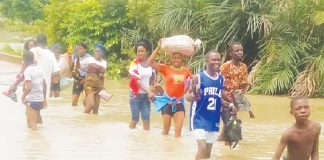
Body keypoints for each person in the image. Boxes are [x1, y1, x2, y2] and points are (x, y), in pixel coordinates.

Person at [148, 40, 192, 138]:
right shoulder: (166, 68)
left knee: (178, 133)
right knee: (165, 131)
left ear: (182, 59)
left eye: (178, 58)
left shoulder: (186, 71)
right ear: (171, 59)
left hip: (179, 103)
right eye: (174, 58)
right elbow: (150, 62)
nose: (176, 60)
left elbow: (193, 85)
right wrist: (158, 48)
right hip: (166, 103)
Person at [218, 42, 254, 141]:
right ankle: (231, 145)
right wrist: (224, 99)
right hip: (226, 100)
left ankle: (221, 142)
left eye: (241, 50)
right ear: (230, 53)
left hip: (236, 100)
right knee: (231, 124)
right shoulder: (226, 66)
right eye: (237, 50)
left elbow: (243, 84)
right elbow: (218, 83)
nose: (240, 52)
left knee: (228, 123)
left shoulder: (243, 67)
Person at [128, 41, 155, 130]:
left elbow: (152, 80)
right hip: (135, 96)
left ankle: (145, 141)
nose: (139, 53)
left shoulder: (151, 64)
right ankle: (131, 138)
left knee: (146, 120)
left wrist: (152, 90)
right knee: (135, 119)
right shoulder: (134, 64)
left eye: (142, 51)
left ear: (147, 52)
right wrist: (149, 92)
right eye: (138, 51)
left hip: (146, 96)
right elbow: (137, 81)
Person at [21, 51, 47, 130]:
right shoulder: (39, 69)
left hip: (31, 100)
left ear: (24, 60)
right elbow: (44, 85)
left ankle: (35, 141)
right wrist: (44, 98)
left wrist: (23, 96)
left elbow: (28, 87)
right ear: (33, 59)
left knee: (32, 127)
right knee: (38, 121)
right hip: (40, 100)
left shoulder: (28, 71)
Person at [30, 35, 60, 99]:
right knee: (42, 106)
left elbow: (25, 67)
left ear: (36, 42)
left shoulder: (32, 51)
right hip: (45, 90)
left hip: (32, 88)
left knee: (31, 108)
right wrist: (47, 75)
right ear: (46, 43)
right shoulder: (51, 54)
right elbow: (57, 71)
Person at [84, 44, 108, 114]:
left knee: (96, 109)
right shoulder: (89, 59)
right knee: (91, 104)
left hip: (98, 85)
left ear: (102, 53)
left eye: (99, 52)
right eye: (96, 51)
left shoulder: (104, 62)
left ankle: (92, 123)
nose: (97, 53)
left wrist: (102, 87)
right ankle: (83, 120)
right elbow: (80, 66)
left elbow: (101, 75)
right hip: (89, 85)